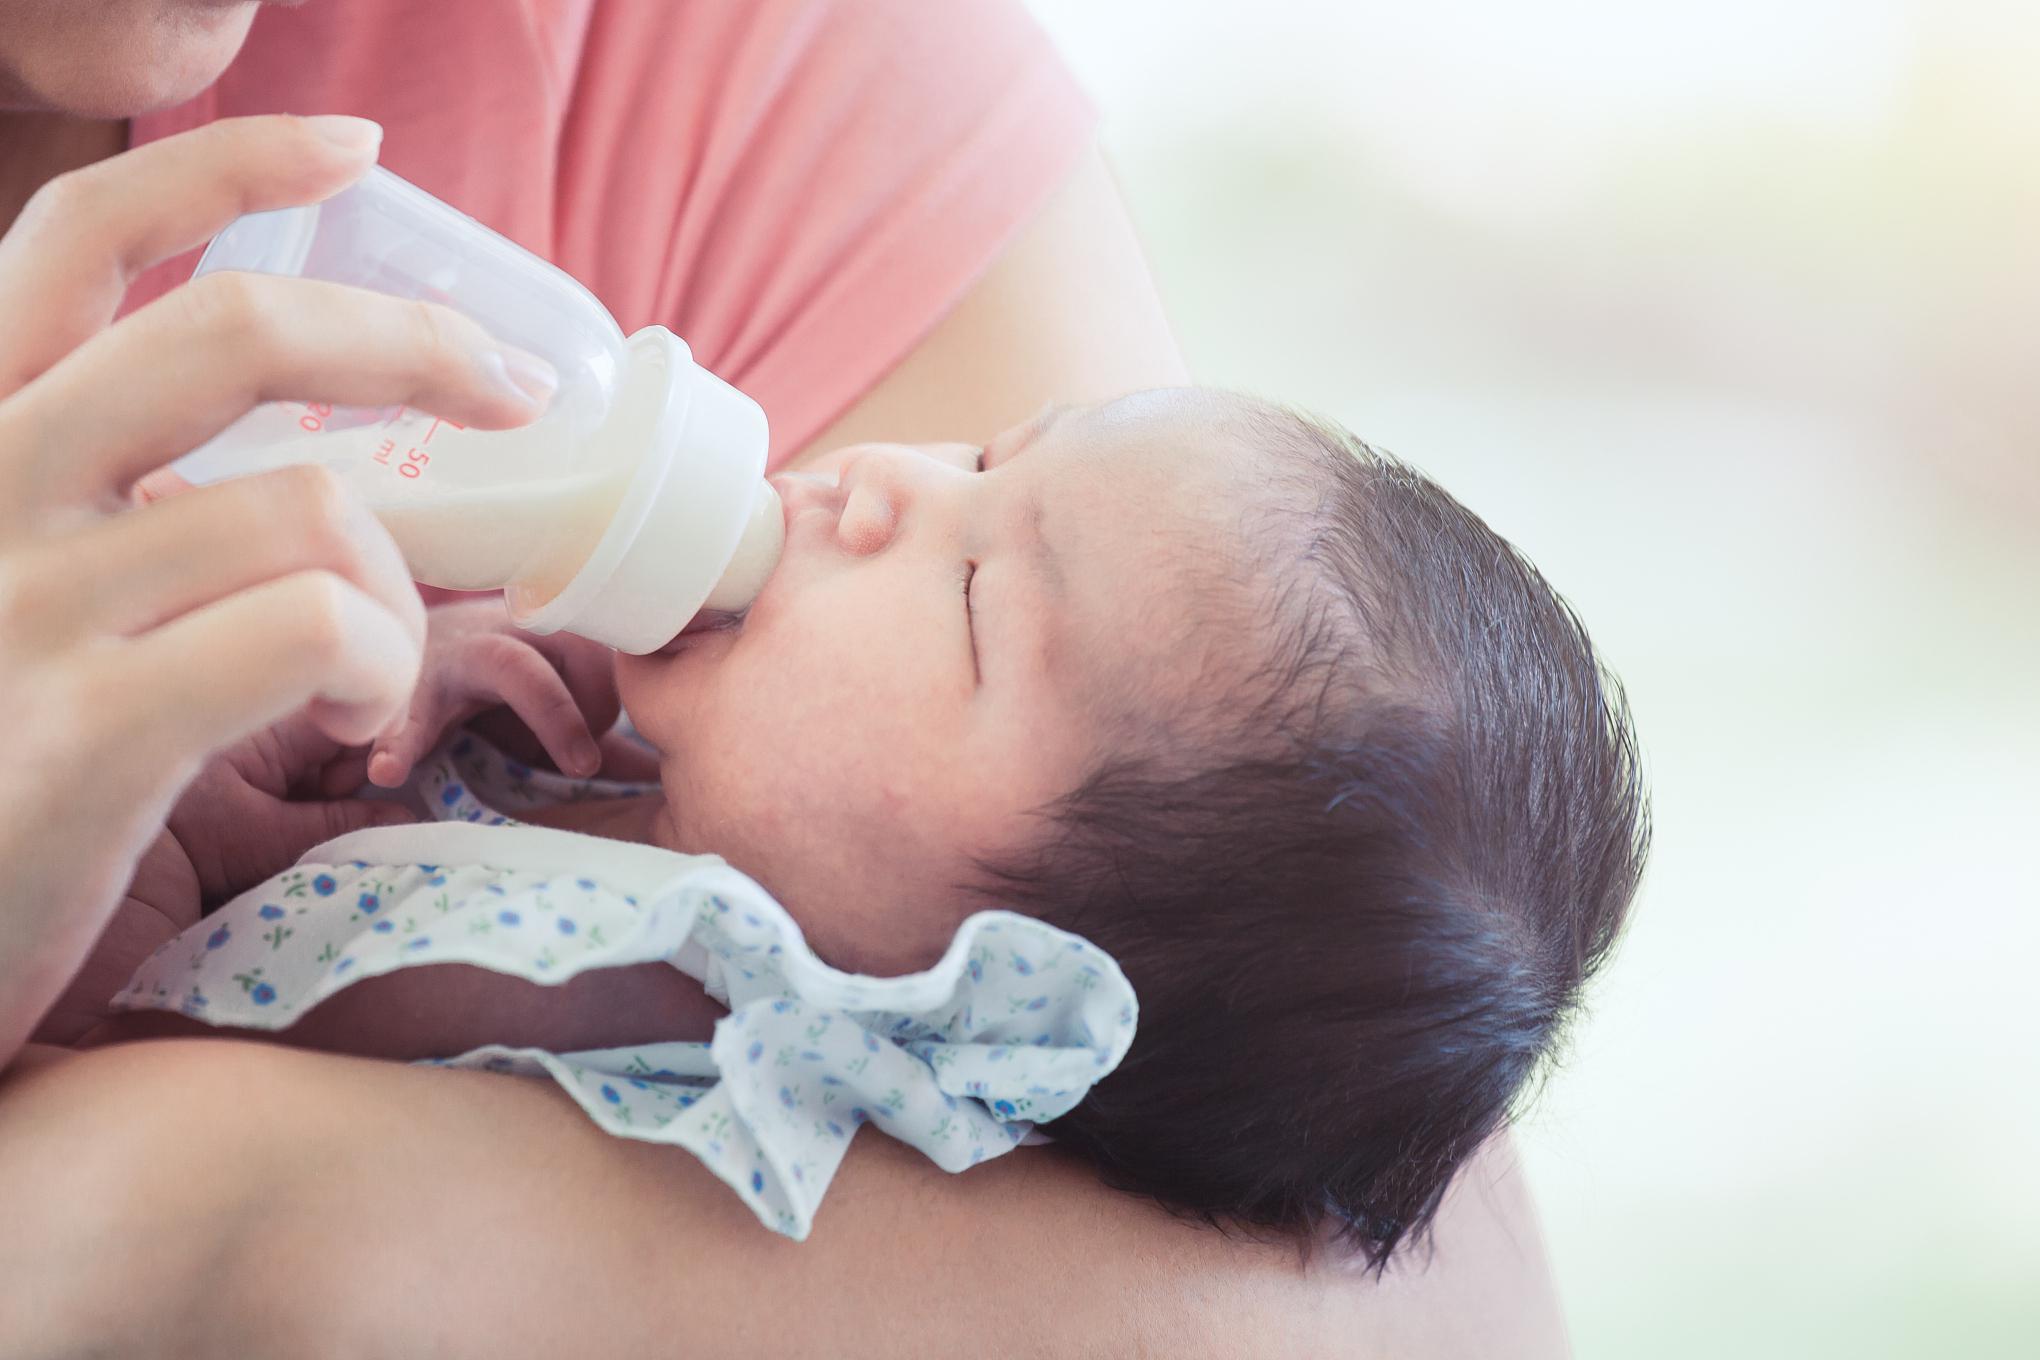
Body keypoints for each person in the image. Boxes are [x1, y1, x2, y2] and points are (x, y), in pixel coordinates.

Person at [0, 2, 1576, 1355]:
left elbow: (1417, 1284)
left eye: (967, 591)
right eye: (976, 454)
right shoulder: (645, 836)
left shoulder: (721, 989)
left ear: (1011, 992)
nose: (879, 480)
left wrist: (200, 1176)